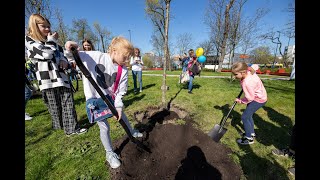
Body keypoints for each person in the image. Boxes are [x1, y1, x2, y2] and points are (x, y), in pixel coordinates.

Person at [64, 36, 143, 169]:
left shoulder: (122, 70)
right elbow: (73, 56)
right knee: (104, 127)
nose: (127, 60)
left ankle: (131, 131)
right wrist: (69, 47)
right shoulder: (95, 56)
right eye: (125, 57)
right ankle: (109, 153)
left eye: (129, 57)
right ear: (114, 51)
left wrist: (118, 107)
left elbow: (121, 91)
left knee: (121, 114)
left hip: (110, 98)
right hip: (94, 100)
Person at [25, 14, 87, 136]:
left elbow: (61, 54)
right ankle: (61, 126)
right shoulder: (29, 41)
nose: (48, 29)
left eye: (49, 26)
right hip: (47, 80)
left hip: (62, 77)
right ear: (34, 26)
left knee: (68, 103)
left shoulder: (52, 43)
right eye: (44, 26)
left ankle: (72, 129)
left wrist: (64, 61)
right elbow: (46, 54)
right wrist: (52, 41)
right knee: (55, 107)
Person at [231, 62, 267, 145]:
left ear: (243, 72)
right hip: (260, 96)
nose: (235, 76)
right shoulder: (250, 72)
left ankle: (249, 138)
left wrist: (240, 101)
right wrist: (251, 68)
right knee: (248, 115)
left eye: (236, 74)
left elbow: (249, 98)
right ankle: (251, 133)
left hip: (258, 100)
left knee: (244, 117)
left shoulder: (247, 83)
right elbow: (254, 68)